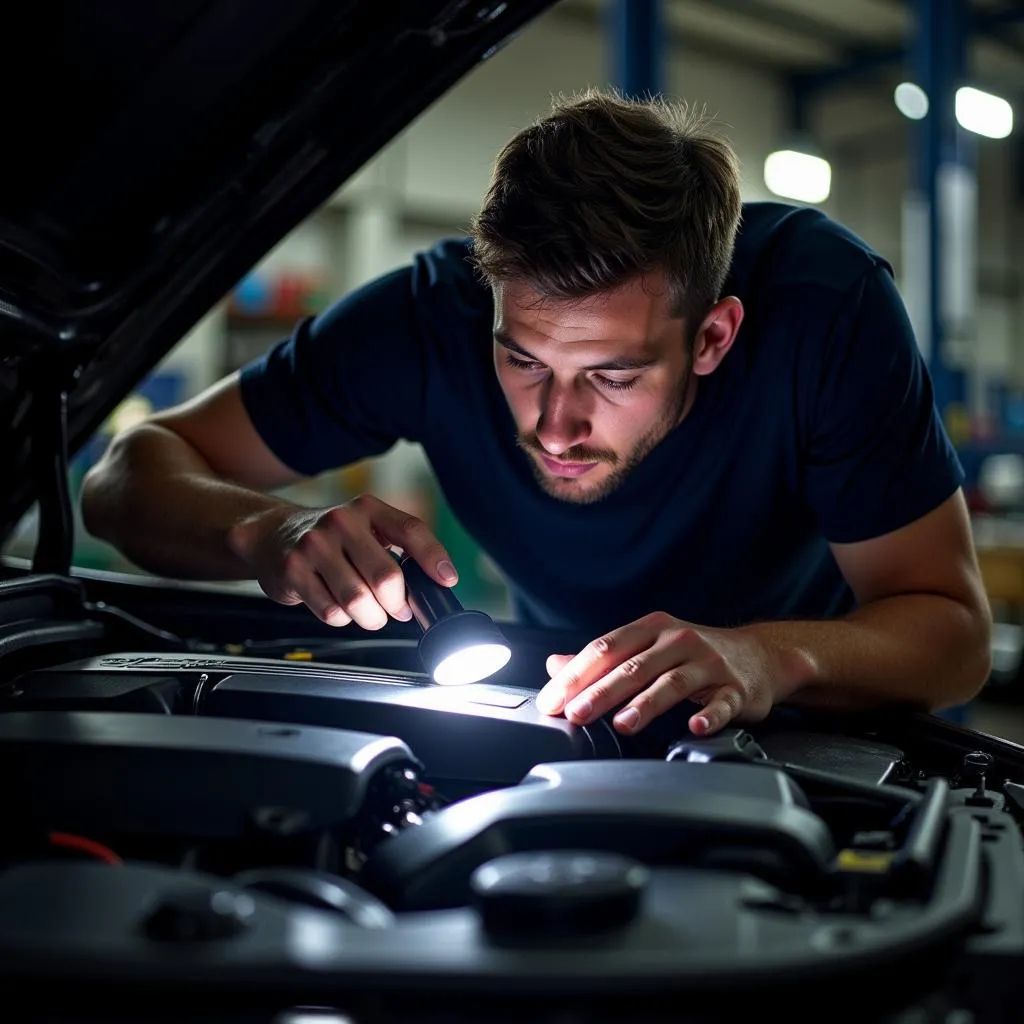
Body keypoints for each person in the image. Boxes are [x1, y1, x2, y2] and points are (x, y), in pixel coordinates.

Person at [80, 89, 992, 740]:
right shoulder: (425, 318)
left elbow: (952, 638)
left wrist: (765, 658)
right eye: (521, 358)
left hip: (824, 740)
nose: (555, 424)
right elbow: (126, 475)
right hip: (564, 715)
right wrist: (264, 534)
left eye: (612, 375)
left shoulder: (823, 306)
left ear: (712, 338)